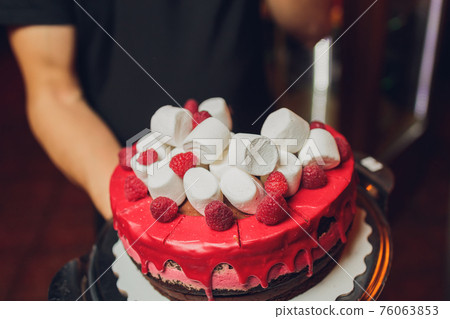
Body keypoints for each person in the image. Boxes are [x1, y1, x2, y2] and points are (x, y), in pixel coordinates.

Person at [0, 0, 332, 220]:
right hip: (133, 183)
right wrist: (141, 219)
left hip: (269, 165)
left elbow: (313, 25)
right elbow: (54, 92)